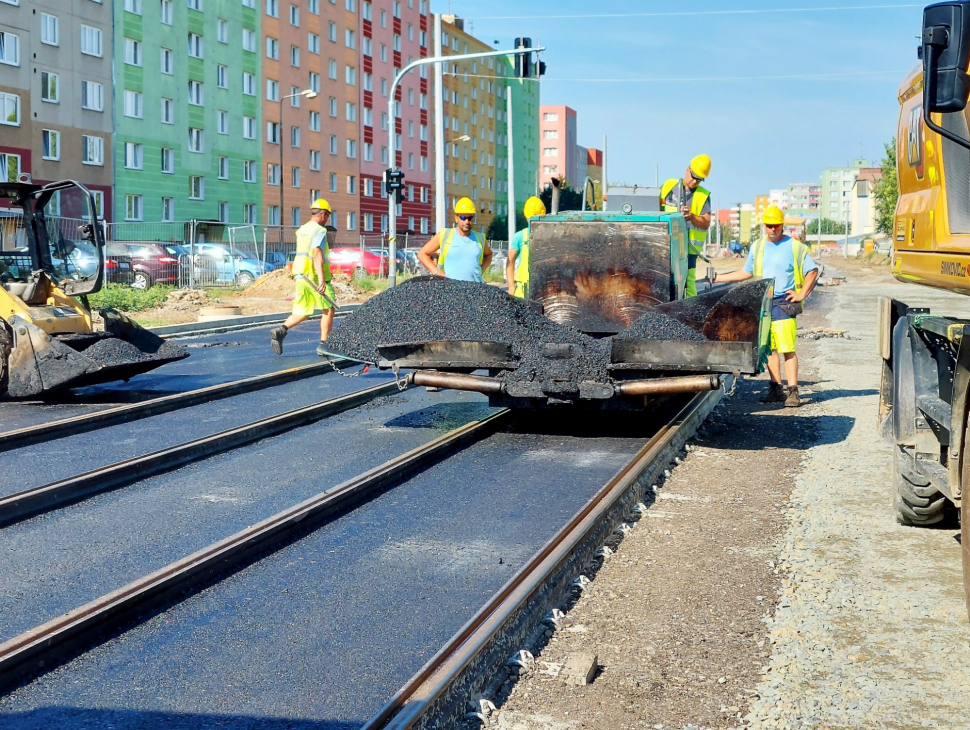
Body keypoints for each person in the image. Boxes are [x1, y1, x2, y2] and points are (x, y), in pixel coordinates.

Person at [714, 205, 819, 407]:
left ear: (782, 225)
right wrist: (719, 278)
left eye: (777, 225)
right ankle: (775, 389)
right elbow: (746, 273)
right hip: (764, 304)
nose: (773, 229)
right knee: (769, 348)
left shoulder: (794, 246)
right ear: (764, 226)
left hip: (784, 303)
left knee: (787, 348)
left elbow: (812, 271)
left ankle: (793, 391)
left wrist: (801, 294)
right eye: (769, 226)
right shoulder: (758, 246)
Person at [269, 199, 336, 357]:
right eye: (326, 216)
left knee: (304, 310)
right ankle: (324, 344)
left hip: (300, 276)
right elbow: (317, 254)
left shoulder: (302, 230)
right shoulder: (319, 231)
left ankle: (281, 330)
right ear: (322, 214)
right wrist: (320, 280)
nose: (326, 220)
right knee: (329, 308)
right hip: (314, 278)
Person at [661, 154, 712, 297]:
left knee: (688, 284)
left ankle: (690, 314)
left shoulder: (703, 195)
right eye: (693, 176)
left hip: (688, 250)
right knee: (663, 280)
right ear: (687, 170)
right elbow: (655, 206)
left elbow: (706, 222)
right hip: (665, 244)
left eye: (699, 179)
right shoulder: (668, 186)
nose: (695, 181)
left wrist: (692, 216)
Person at [418, 197, 493, 281]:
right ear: (456, 218)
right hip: (451, 290)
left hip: (475, 289)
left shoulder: (480, 238)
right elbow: (422, 254)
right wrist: (437, 272)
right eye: (463, 217)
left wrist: (481, 271)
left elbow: (489, 255)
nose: (467, 222)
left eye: (470, 218)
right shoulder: (445, 235)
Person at [506, 196, 546, 298]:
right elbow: (510, 260)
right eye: (533, 218)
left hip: (543, 289)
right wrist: (511, 286)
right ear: (527, 218)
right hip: (522, 290)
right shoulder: (520, 237)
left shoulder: (547, 236)